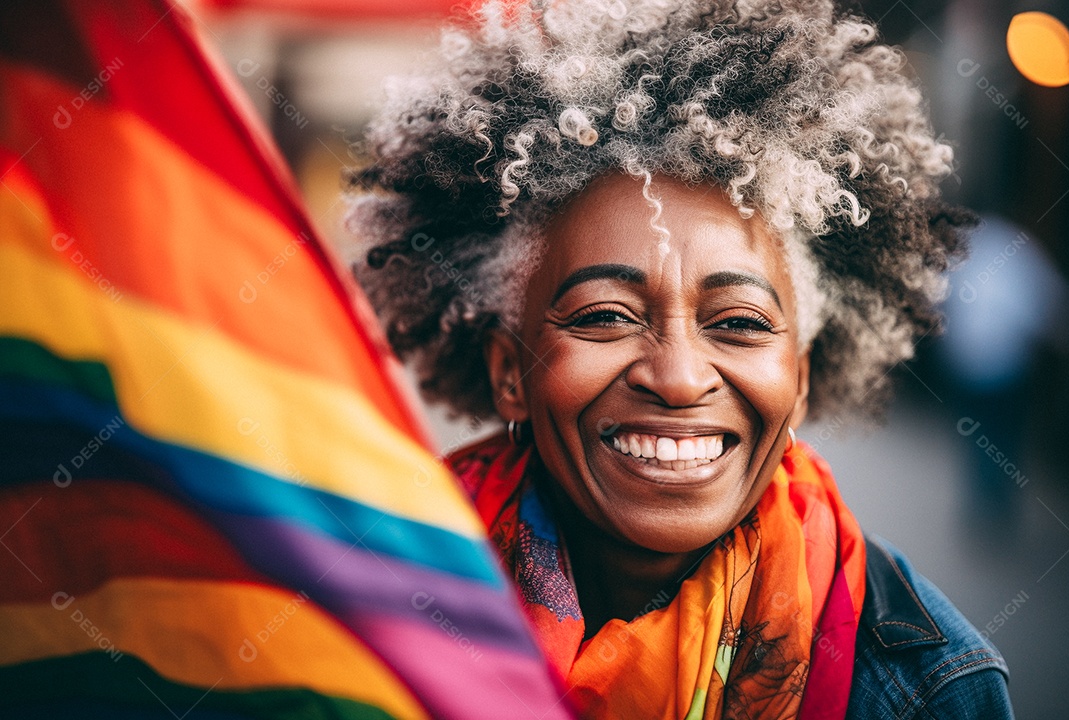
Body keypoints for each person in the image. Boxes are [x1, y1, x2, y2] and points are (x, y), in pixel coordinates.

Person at [348, 0, 1014, 717]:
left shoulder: (932, 685)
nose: (679, 376)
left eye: (738, 323)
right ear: (510, 371)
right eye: (605, 316)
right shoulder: (361, 618)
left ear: (801, 377)